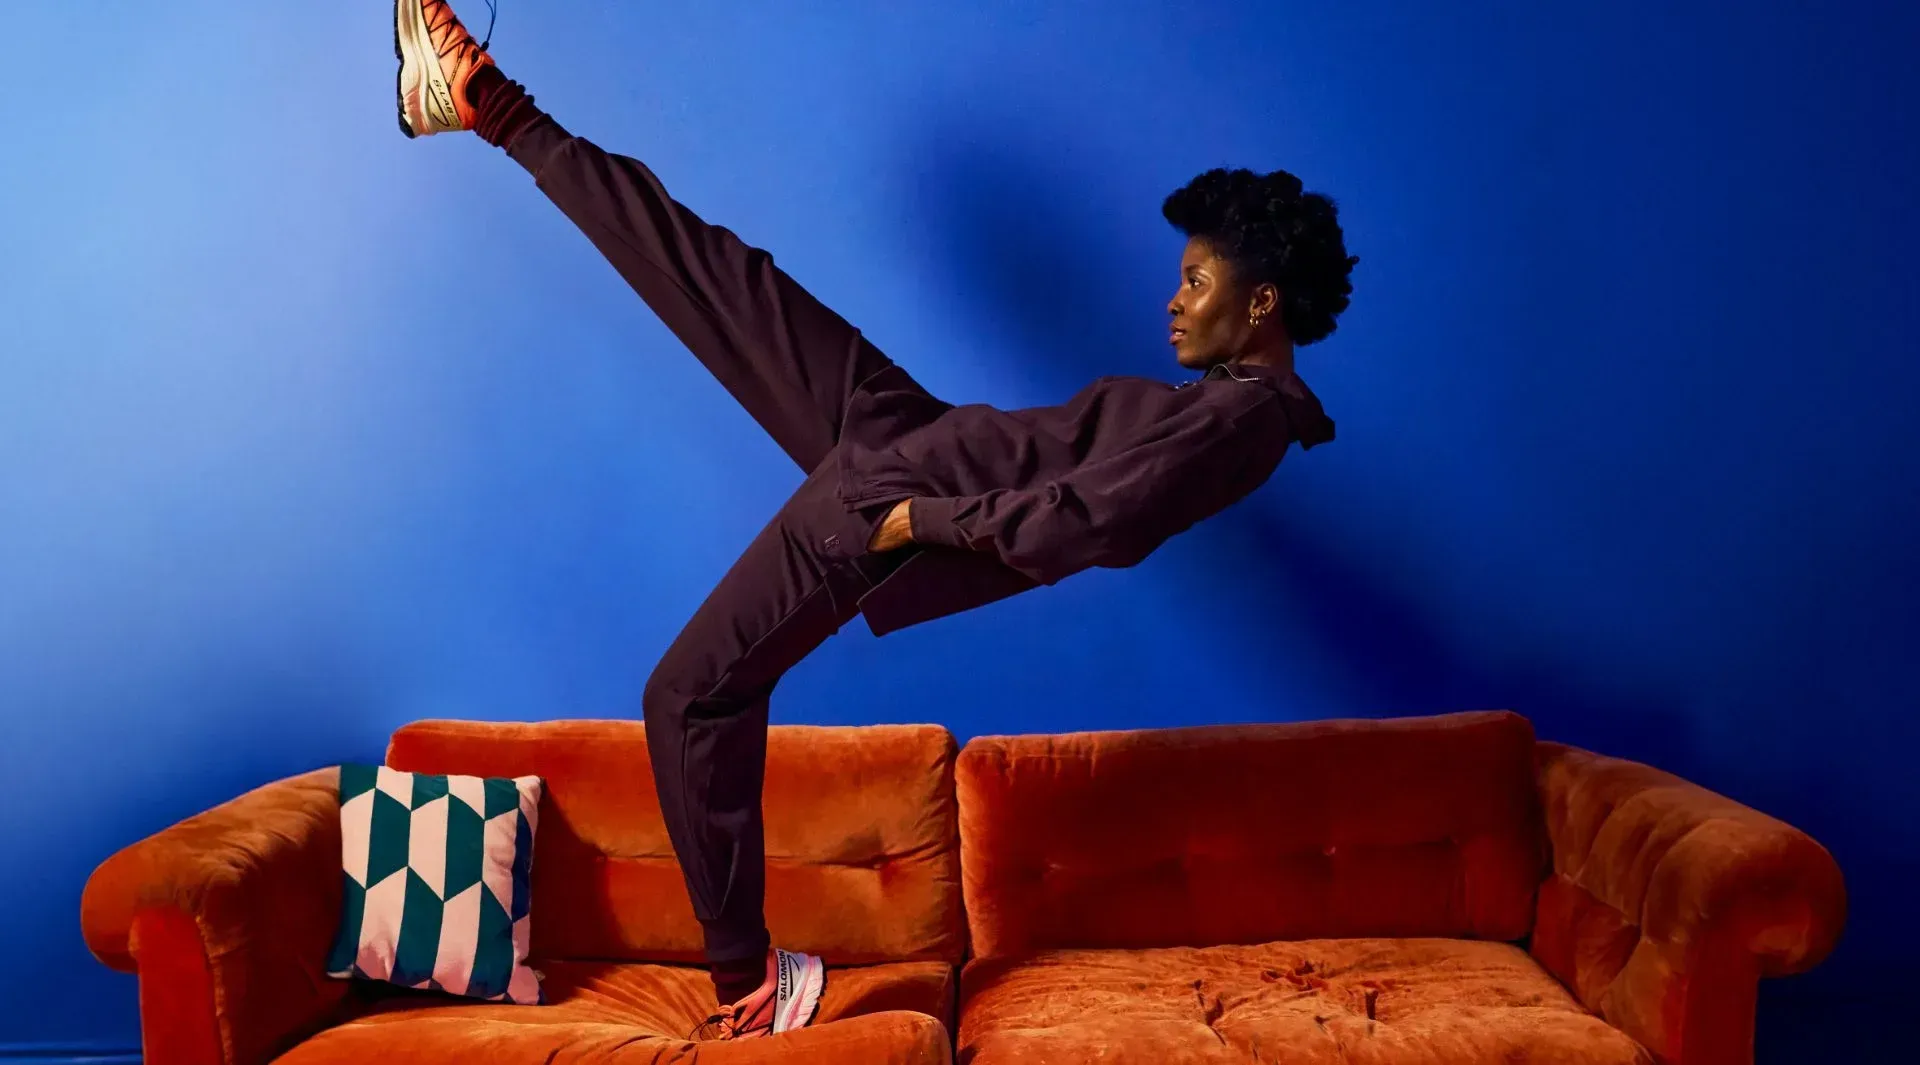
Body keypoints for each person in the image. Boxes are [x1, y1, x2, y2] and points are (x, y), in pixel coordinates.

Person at [393, 0, 1355, 1042]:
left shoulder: (1247, 419)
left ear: (1263, 304)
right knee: (715, 270)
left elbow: (1093, 524)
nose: (1174, 301)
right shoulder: (1226, 403)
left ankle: (748, 982)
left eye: (1198, 282)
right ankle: (485, 98)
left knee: (690, 696)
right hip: (908, 429)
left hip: (896, 492)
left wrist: (912, 523)